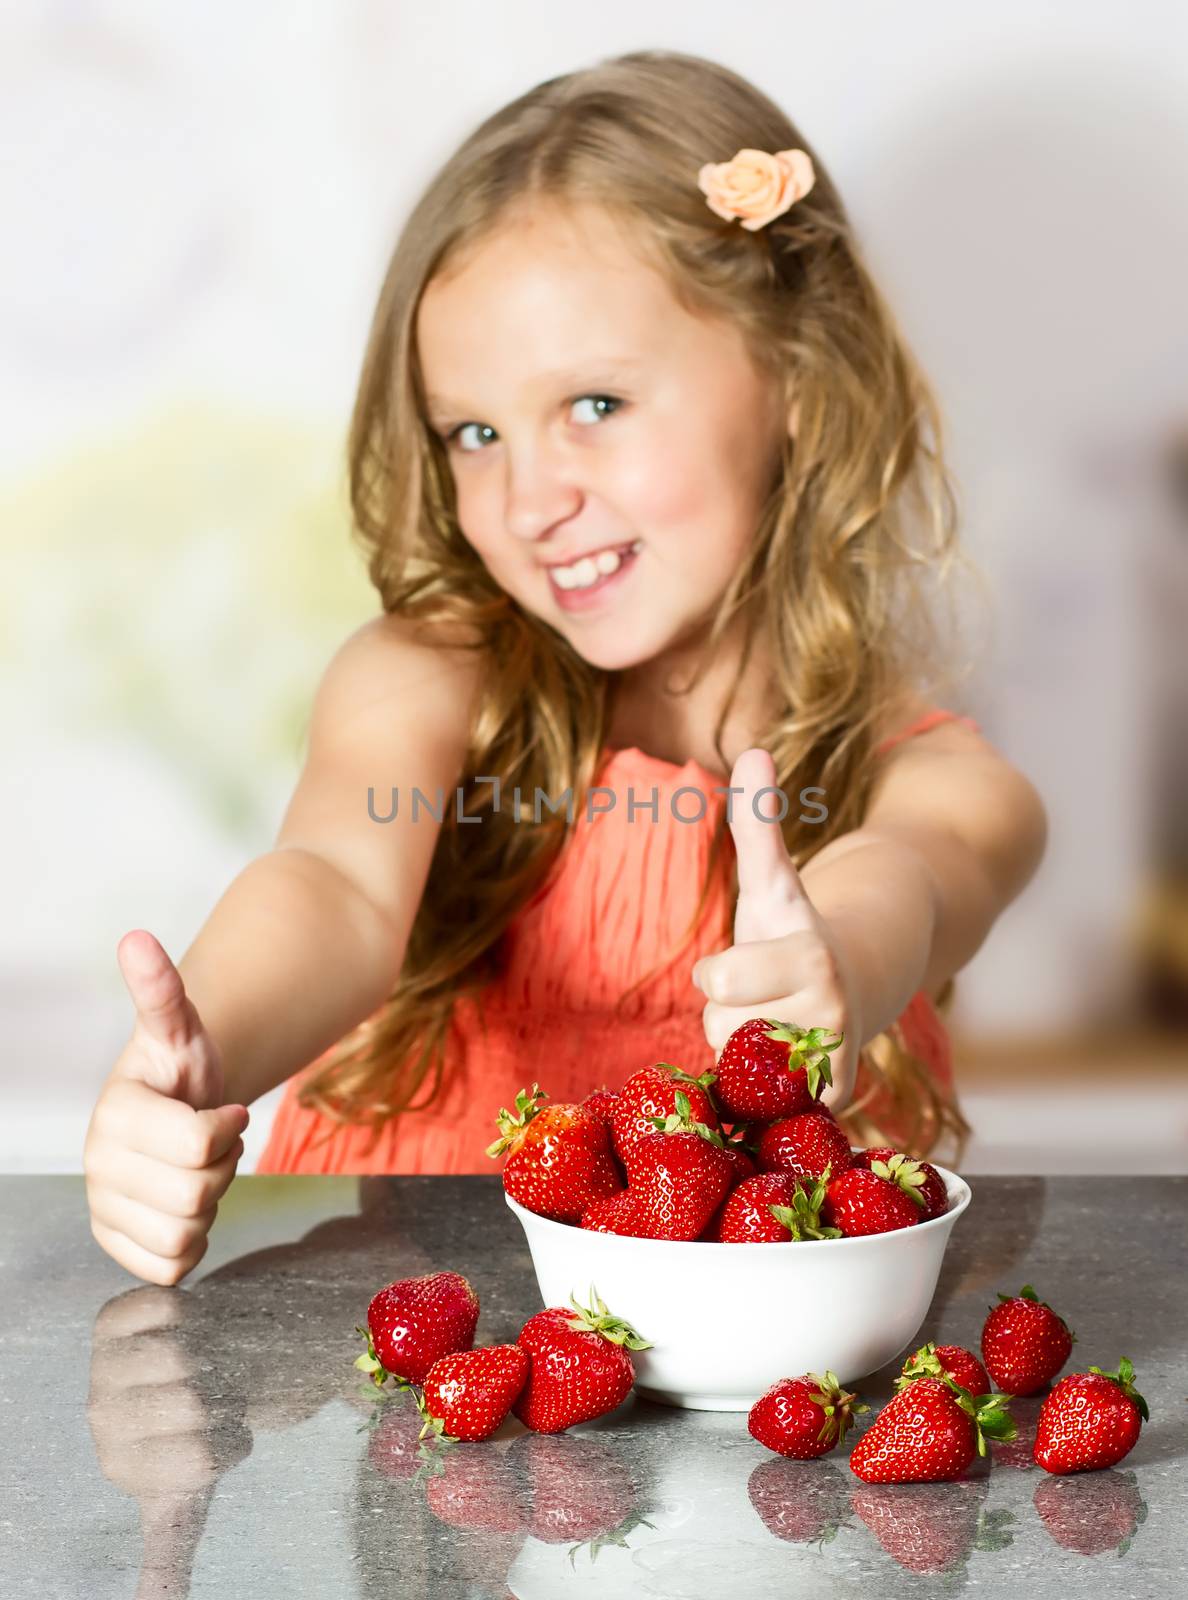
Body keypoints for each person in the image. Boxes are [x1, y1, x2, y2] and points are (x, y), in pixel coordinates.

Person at [83, 49, 1047, 1284]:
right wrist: (194, 1053)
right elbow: (333, 886)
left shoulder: (949, 784)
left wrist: (836, 967)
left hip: (756, 1421)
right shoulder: (426, 681)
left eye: (595, 403)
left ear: (798, 375)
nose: (532, 498)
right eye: (474, 434)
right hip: (418, 1373)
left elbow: (912, 875)